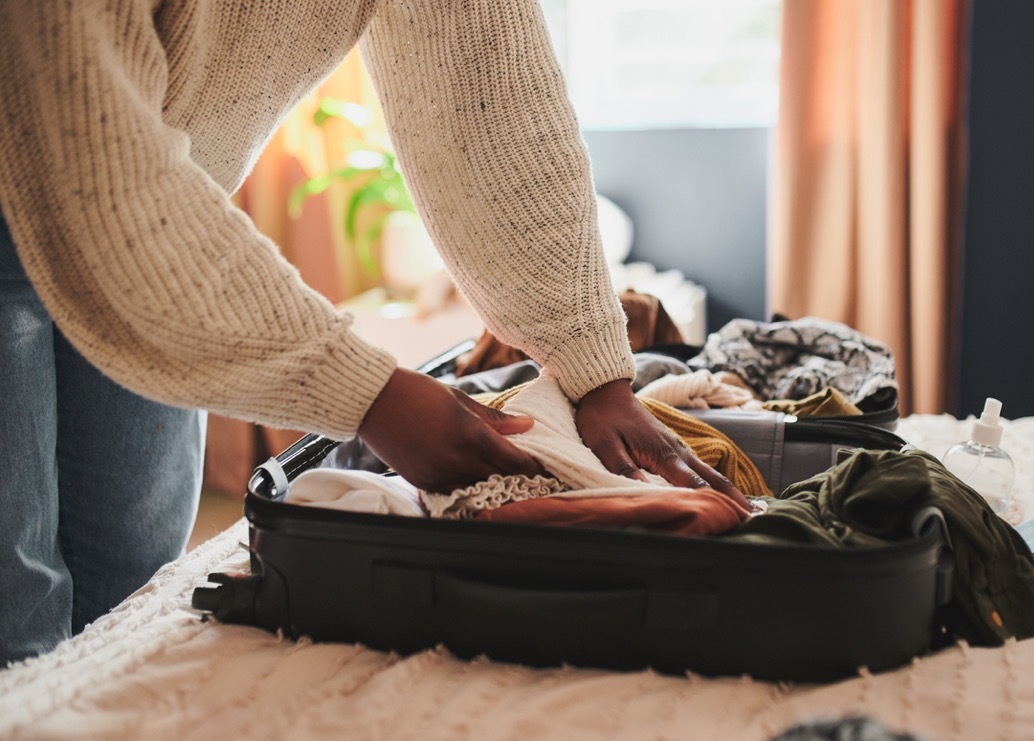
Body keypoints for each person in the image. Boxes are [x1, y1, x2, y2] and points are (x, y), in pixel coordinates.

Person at [0, 1, 749, 665]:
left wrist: (595, 367)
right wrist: (368, 394)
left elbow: (491, 106)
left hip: (171, 221)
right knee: (17, 611)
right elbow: (92, 164)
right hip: (61, 177)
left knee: (129, 594)